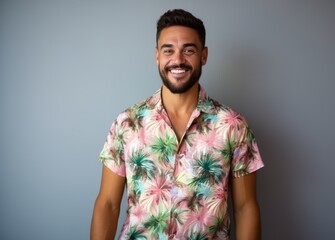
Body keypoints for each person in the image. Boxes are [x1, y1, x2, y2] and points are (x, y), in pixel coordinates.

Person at [91, 9, 264, 240]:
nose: (178, 60)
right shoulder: (127, 123)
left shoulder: (233, 125)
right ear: (157, 56)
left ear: (204, 56)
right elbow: (108, 204)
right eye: (168, 50)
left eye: (189, 50)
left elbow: (245, 208)